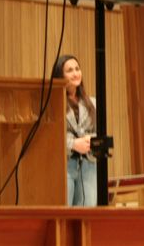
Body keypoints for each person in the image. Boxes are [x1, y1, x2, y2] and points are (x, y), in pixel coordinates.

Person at [53, 55, 97, 207]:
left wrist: (90, 140)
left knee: (88, 209)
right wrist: (72, 144)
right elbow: (50, 137)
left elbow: (100, 133)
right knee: (64, 211)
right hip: (64, 165)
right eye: (70, 70)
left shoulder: (93, 103)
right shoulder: (53, 103)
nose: (75, 73)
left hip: (89, 165)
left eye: (77, 69)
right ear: (60, 75)